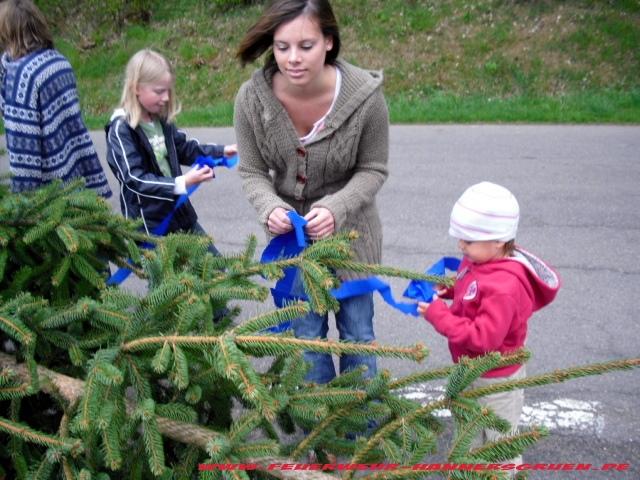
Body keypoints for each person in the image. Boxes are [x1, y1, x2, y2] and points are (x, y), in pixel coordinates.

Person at [234, 0, 389, 384]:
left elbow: (373, 169)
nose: (293, 59)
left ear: (329, 43)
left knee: (357, 336)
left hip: (353, 237)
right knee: (305, 338)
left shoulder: (366, 98)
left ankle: (359, 433)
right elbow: (252, 170)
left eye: (306, 46)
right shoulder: (251, 100)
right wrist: (269, 206)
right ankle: (320, 433)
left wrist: (337, 208)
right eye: (282, 47)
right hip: (292, 246)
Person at [417, 181, 560, 467]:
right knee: (467, 434)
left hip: (495, 379)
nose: (460, 245)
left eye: (467, 241)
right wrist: (450, 291)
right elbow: (471, 287)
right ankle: (466, 469)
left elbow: (483, 339)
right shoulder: (479, 260)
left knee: (499, 443)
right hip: (469, 369)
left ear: (498, 240)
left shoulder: (505, 288)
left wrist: (438, 315)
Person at [106, 49, 236, 243]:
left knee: (217, 269)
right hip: (149, 226)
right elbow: (134, 178)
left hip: (179, 213)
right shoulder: (121, 130)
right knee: (167, 274)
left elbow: (185, 148)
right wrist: (182, 182)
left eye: (168, 90)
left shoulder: (161, 121)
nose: (166, 98)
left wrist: (221, 151)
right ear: (136, 88)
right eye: (159, 91)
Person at [0, 0, 111, 197]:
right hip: (78, 178)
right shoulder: (59, 62)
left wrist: (23, 208)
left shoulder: (22, 75)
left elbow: (25, 154)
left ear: (6, 32)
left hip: (52, 196)